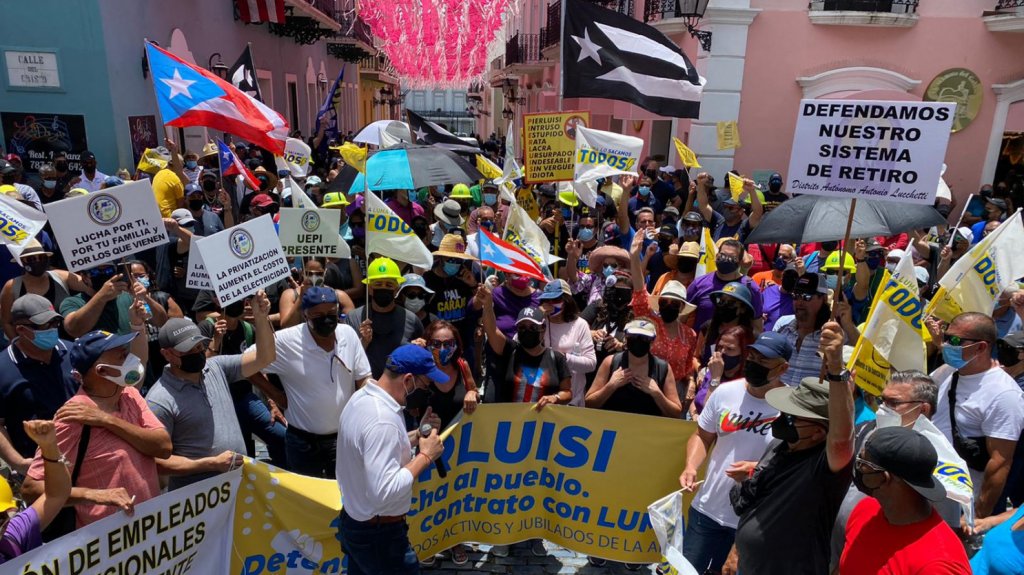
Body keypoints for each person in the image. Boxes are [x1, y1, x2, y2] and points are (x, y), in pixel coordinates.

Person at [726, 321, 854, 575]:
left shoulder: (825, 467)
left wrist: (837, 368)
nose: (784, 418)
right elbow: (758, 504)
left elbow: (842, 438)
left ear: (819, 432)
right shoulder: (780, 445)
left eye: (794, 416)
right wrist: (736, 551)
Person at [21, 329, 172, 533]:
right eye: (121, 356)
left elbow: (163, 447)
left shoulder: (130, 395)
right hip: (105, 544)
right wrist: (95, 495)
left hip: (148, 531)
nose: (131, 358)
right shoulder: (72, 417)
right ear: (101, 371)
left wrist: (106, 420)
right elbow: (31, 489)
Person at [680, 332, 792, 574]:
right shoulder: (725, 393)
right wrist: (691, 466)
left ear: (782, 368)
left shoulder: (792, 408)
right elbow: (702, 435)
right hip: (706, 510)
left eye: (763, 362)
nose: (754, 364)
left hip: (753, 522)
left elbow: (794, 466)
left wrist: (757, 470)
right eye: (751, 356)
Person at [147, 292, 275, 489]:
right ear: (167, 354)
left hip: (238, 486)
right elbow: (156, 461)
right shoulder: (159, 400)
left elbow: (264, 358)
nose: (197, 352)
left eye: (199, 345)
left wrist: (261, 317)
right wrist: (210, 464)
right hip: (200, 500)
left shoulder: (216, 367)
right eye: (188, 349)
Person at [335, 344, 445, 575]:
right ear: (407, 380)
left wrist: (418, 435)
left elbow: (376, 448)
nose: (426, 391)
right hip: (379, 534)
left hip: (358, 522)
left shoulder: (361, 399)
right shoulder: (382, 420)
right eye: (425, 385)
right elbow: (384, 490)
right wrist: (426, 456)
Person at [249, 286, 371, 478]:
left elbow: (364, 379)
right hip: (302, 443)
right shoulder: (286, 341)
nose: (327, 318)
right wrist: (276, 397)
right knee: (306, 501)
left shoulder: (348, 334)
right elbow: (248, 365)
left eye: (332, 312)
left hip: (343, 439)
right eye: (318, 314)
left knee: (344, 498)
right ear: (305, 314)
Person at [838, 427, 971, 574]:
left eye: (864, 464)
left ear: (885, 478)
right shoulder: (863, 511)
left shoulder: (938, 566)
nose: (859, 468)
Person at [931, 312, 1024, 519]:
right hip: (934, 492)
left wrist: (977, 516)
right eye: (946, 337)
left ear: (981, 347)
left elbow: (1000, 462)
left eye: (954, 340)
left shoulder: (1003, 394)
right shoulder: (949, 372)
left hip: (964, 506)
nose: (945, 345)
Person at [0, 295, 80, 473]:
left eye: (54, 323)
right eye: (44, 326)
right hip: (42, 469)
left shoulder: (74, 352)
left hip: (89, 456)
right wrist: (18, 463)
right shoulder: (3, 369)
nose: (52, 329)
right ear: (21, 329)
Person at [629, 233, 698, 400]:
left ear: (682, 307)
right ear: (658, 303)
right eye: (664, 302)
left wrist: (691, 383)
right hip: (642, 389)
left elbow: (687, 369)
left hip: (674, 394)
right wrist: (634, 257)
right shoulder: (649, 323)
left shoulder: (689, 335)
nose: (668, 306)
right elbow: (639, 290)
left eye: (674, 304)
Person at [0, 420, 70, 564]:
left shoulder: (13, 534)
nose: (3, 525)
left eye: (3, 517)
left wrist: (49, 447)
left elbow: (56, 494)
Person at [586, 318, 682, 418]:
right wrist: (611, 386)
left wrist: (657, 394)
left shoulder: (662, 368)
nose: (638, 341)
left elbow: (676, 413)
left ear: (653, 341)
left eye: (645, 338)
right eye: (634, 337)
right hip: (612, 428)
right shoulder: (610, 362)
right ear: (626, 337)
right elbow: (589, 403)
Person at [348, 257, 424, 378]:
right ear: (370, 289)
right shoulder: (353, 318)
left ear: (396, 290)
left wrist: (419, 348)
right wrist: (362, 342)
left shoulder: (411, 320)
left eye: (389, 285)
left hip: (400, 390)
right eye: (378, 284)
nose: (383, 288)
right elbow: (346, 360)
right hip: (366, 389)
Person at [0, 239, 91, 339]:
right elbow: (7, 322)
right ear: (22, 261)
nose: (37, 261)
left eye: (42, 257)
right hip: (32, 345)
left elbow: (89, 286)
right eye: (31, 259)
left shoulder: (61, 277)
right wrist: (19, 345)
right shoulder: (12, 287)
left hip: (68, 342)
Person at [538, 279, 596, 407]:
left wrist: (562, 358)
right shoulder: (539, 322)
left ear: (566, 301)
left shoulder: (580, 325)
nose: (550, 304)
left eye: (555, 300)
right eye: (546, 300)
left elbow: (591, 364)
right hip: (541, 399)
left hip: (572, 401)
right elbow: (519, 342)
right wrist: (537, 318)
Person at [687, 238, 763, 330]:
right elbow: (683, 316)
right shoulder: (699, 284)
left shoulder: (750, 288)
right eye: (722, 255)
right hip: (703, 340)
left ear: (739, 262)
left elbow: (757, 327)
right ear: (716, 256)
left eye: (732, 257)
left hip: (733, 342)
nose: (726, 259)